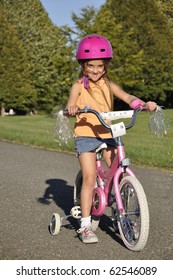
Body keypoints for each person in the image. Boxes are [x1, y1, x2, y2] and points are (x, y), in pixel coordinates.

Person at [65, 34, 157, 244]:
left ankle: (120, 211)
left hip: (108, 133)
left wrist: (141, 104)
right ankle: (86, 225)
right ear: (83, 65)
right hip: (86, 135)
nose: (96, 70)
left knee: (118, 169)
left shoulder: (109, 84)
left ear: (106, 65)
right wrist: (72, 107)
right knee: (89, 177)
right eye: (91, 66)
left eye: (100, 65)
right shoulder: (79, 86)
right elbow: (72, 102)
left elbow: (126, 97)